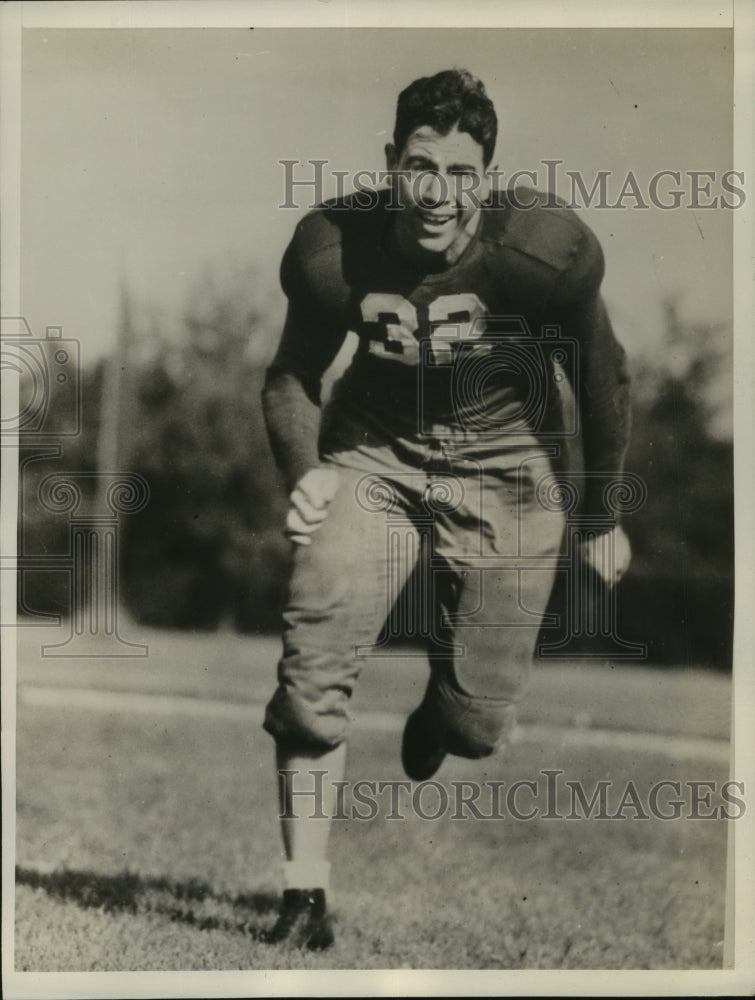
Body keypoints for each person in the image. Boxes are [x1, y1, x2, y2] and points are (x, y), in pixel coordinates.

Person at [259, 68, 631, 949]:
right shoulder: (330, 248)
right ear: (391, 162)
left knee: (475, 731)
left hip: (509, 465)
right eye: (420, 167)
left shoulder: (540, 249)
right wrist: (303, 468)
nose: (436, 194)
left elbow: (602, 372)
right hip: (374, 450)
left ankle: (443, 703)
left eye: (460, 174)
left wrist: (600, 512)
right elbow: (291, 376)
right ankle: (303, 893)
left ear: (486, 179)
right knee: (311, 680)